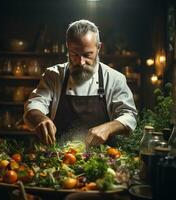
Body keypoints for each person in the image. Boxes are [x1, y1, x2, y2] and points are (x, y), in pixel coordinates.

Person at [23, 19, 137, 147]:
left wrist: (109, 128)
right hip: (59, 159)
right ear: (68, 47)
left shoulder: (114, 78)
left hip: (104, 160)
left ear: (99, 47)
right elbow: (34, 106)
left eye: (87, 54)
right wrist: (41, 119)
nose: (81, 62)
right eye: (74, 54)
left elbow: (129, 115)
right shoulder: (53, 76)